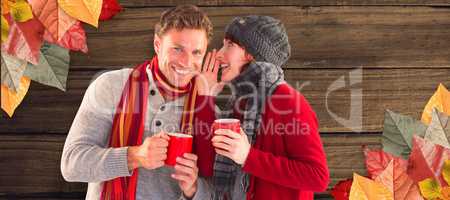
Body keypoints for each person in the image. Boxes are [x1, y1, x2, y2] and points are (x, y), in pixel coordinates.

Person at [61, 5, 214, 200]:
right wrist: (135, 156)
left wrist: (193, 189)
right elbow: (71, 165)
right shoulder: (111, 86)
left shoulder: (207, 110)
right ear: (157, 45)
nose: (186, 61)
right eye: (177, 49)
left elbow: (214, 191)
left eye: (197, 52)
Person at [192, 15, 330, 200]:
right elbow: (209, 167)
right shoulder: (239, 100)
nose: (218, 54)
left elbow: (318, 177)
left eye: (230, 45)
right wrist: (205, 100)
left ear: (251, 54)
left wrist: (248, 156)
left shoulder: (288, 101)